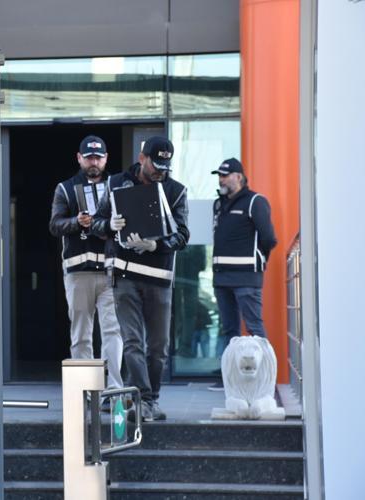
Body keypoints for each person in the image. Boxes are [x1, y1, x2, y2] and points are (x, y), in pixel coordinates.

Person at [91, 136, 189, 421]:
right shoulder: (115, 184)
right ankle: (144, 399)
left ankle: (150, 399)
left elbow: (183, 235)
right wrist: (109, 225)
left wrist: (156, 245)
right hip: (125, 275)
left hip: (159, 276)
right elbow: (96, 223)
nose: (160, 171)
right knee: (132, 342)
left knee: (158, 347)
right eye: (156, 165)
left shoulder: (176, 191)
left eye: (165, 166)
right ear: (142, 158)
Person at [49, 135, 124, 390]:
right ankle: (85, 391)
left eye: (98, 157)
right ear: (79, 158)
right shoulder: (66, 188)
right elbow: (54, 225)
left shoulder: (117, 186)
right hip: (78, 271)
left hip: (110, 271)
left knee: (113, 331)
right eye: (89, 157)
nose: (94, 162)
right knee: (81, 333)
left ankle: (113, 389)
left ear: (106, 158)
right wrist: (75, 222)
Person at [208, 158, 277, 391]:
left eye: (225, 175)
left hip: (246, 277)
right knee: (230, 331)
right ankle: (231, 380)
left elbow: (268, 239)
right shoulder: (218, 205)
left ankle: (265, 381)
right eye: (219, 175)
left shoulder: (255, 201)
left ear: (239, 176)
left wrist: (258, 261)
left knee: (255, 329)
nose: (221, 179)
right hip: (221, 278)